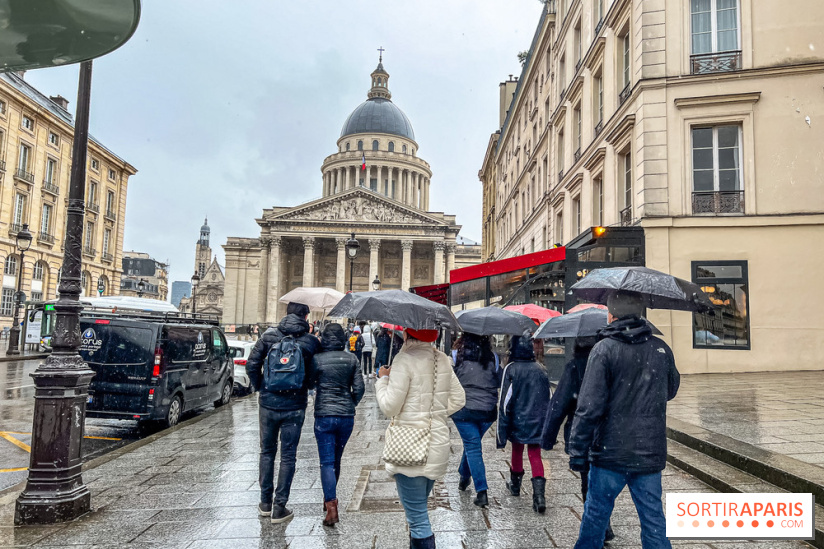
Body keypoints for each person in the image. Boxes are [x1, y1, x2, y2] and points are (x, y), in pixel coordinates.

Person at [568, 292, 680, 549]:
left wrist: (577, 450)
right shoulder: (660, 348)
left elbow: (588, 406)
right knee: (653, 518)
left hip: (610, 451)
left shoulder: (604, 349)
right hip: (649, 450)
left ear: (612, 314)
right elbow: (671, 389)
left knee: (596, 514)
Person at [375, 328, 466, 549]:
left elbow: (389, 407)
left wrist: (382, 381)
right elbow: (459, 398)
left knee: (418, 520)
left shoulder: (404, 359)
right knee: (419, 511)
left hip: (410, 448)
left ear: (407, 334)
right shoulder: (441, 358)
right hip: (436, 446)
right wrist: (433, 414)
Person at [246, 302, 321, 524]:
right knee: (288, 456)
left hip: (268, 404)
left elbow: (252, 364)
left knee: (267, 452)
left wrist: (262, 385)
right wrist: (305, 385)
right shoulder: (310, 342)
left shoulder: (268, 337)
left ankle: (264, 503)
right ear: (306, 316)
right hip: (294, 406)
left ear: (285, 314)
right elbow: (317, 371)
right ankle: (280, 507)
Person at [541, 336, 614, 542]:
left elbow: (560, 403)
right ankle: (604, 523)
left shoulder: (576, 366)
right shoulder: (611, 359)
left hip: (584, 431)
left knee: (589, 481)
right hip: (610, 431)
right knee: (605, 480)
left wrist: (548, 438)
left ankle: (601, 525)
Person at [312, 323, 365, 526]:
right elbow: (359, 388)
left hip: (324, 414)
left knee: (326, 461)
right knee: (336, 459)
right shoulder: (351, 358)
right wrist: (350, 403)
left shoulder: (317, 359)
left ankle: (331, 505)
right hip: (345, 417)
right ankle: (330, 496)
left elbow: (309, 383)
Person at [497, 335, 550, 514]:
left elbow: (505, 401)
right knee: (535, 454)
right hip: (537, 419)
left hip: (518, 418)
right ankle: (539, 497)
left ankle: (515, 485)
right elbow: (547, 396)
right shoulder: (540, 369)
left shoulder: (511, 369)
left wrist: (502, 429)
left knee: (517, 450)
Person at [451, 333, 501, 508]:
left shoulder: (456, 356)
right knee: (473, 445)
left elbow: (450, 381)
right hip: (487, 411)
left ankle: (482, 491)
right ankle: (464, 476)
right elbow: (498, 381)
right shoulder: (493, 358)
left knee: (472, 447)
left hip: (463, 410)